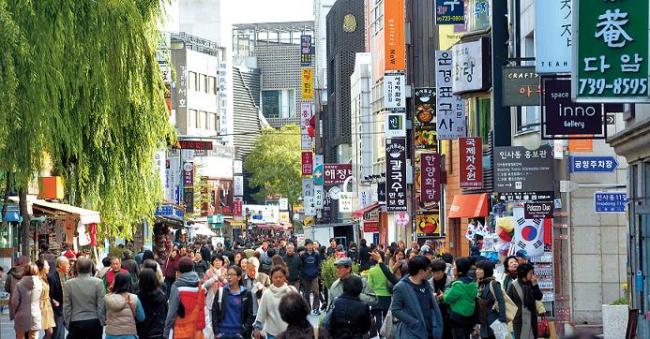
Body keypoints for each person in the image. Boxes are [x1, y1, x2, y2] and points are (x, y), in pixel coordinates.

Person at [391, 255, 443, 339]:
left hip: (429, 330)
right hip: (412, 333)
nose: (430, 271)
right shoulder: (401, 287)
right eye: (428, 269)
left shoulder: (426, 284)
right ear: (421, 271)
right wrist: (414, 323)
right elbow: (395, 310)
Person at [163, 256, 206, 339]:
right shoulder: (198, 284)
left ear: (179, 270)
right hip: (195, 329)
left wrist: (166, 331)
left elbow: (172, 313)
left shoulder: (177, 286)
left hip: (180, 329)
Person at [63, 257, 106, 339]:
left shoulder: (68, 284)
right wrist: (101, 321)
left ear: (77, 267)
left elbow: (67, 306)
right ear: (91, 268)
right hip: (94, 320)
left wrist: (68, 323)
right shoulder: (98, 283)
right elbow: (101, 304)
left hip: (76, 321)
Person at [254, 266, 297, 339]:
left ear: (284, 277)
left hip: (290, 332)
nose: (278, 279)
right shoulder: (267, 293)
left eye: (281, 277)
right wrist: (257, 328)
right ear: (271, 278)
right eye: (275, 277)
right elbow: (261, 311)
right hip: (272, 333)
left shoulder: (291, 291)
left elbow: (298, 311)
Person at [211, 265, 255, 339]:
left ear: (239, 277)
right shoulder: (221, 291)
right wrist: (216, 332)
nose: (229, 277)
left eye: (232, 274)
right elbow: (214, 312)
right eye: (228, 274)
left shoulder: (246, 293)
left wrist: (244, 331)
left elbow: (249, 315)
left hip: (239, 334)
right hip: (222, 333)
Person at [441, 257, 478, 339]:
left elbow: (447, 298)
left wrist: (445, 293)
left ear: (459, 269)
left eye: (454, 266)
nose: (453, 268)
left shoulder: (458, 285)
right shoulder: (472, 283)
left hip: (457, 318)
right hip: (469, 318)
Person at [104, 272, 145, 339]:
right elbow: (141, 318)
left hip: (111, 335)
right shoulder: (134, 298)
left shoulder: (107, 298)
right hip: (129, 335)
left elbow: (103, 315)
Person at [507, 263, 543, 339]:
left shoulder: (532, 284)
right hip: (519, 320)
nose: (532, 275)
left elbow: (539, 297)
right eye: (530, 273)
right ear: (524, 273)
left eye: (533, 273)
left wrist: (535, 285)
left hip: (532, 318)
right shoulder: (513, 285)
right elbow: (509, 302)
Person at [476, 260, 507, 339]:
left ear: (486, 270)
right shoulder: (480, 284)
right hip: (484, 322)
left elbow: (501, 301)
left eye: (480, 269)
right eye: (477, 269)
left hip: (495, 321)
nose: (477, 271)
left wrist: (502, 320)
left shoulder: (493, 284)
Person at [10, 263, 42, 339]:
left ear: (25, 271)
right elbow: (41, 299)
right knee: (33, 337)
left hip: (21, 315)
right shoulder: (40, 284)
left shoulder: (19, 284)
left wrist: (15, 311)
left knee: (20, 336)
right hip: (35, 314)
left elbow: (15, 301)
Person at [366, 251, 394, 337]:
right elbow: (391, 279)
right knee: (387, 317)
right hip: (387, 296)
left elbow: (369, 285)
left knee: (377, 316)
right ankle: (387, 334)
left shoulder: (372, 271)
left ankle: (381, 335)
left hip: (376, 296)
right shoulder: (388, 269)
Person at [136, 268, 167, 339]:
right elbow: (165, 311)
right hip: (158, 329)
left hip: (142, 330)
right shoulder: (161, 295)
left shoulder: (138, 296)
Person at [430, 259, 452, 339]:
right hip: (434, 315)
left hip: (447, 315)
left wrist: (444, 297)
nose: (436, 275)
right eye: (434, 273)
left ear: (443, 271)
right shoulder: (428, 283)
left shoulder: (451, 283)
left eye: (438, 273)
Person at [48, 256, 69, 339]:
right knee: (57, 332)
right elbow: (48, 294)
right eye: (67, 264)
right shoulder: (52, 277)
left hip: (64, 308)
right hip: (56, 309)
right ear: (60, 265)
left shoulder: (65, 276)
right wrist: (53, 301)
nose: (68, 266)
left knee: (61, 332)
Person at [299, 239, 321, 315]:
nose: (310, 246)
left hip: (314, 276)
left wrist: (317, 272)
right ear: (305, 246)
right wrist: (303, 273)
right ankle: (308, 308)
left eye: (311, 244)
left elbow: (319, 264)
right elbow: (300, 266)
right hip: (305, 276)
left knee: (316, 292)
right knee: (307, 293)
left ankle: (316, 308)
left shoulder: (316, 254)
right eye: (308, 245)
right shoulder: (302, 255)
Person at [36, 259, 56, 339]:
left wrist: (52, 300)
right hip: (40, 307)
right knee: (48, 332)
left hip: (47, 307)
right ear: (41, 267)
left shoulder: (45, 278)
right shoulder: (37, 279)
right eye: (47, 265)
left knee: (50, 332)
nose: (49, 267)